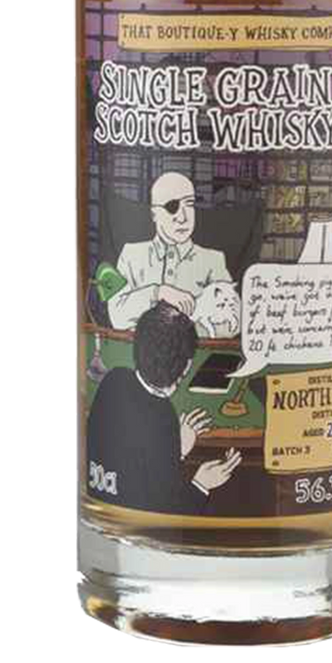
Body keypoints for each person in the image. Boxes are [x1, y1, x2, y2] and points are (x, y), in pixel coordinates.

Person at [87, 303, 242, 514]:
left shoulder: (114, 378)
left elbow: (136, 466)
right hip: (139, 521)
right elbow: (167, 509)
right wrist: (202, 483)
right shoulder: (164, 416)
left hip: (105, 496)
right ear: (184, 367)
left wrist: (176, 449)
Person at [107, 171, 231, 331]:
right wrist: (158, 293)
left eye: (189, 204)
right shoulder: (131, 255)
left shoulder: (212, 261)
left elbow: (231, 323)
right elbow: (116, 316)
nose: (183, 217)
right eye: (172, 207)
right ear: (154, 214)